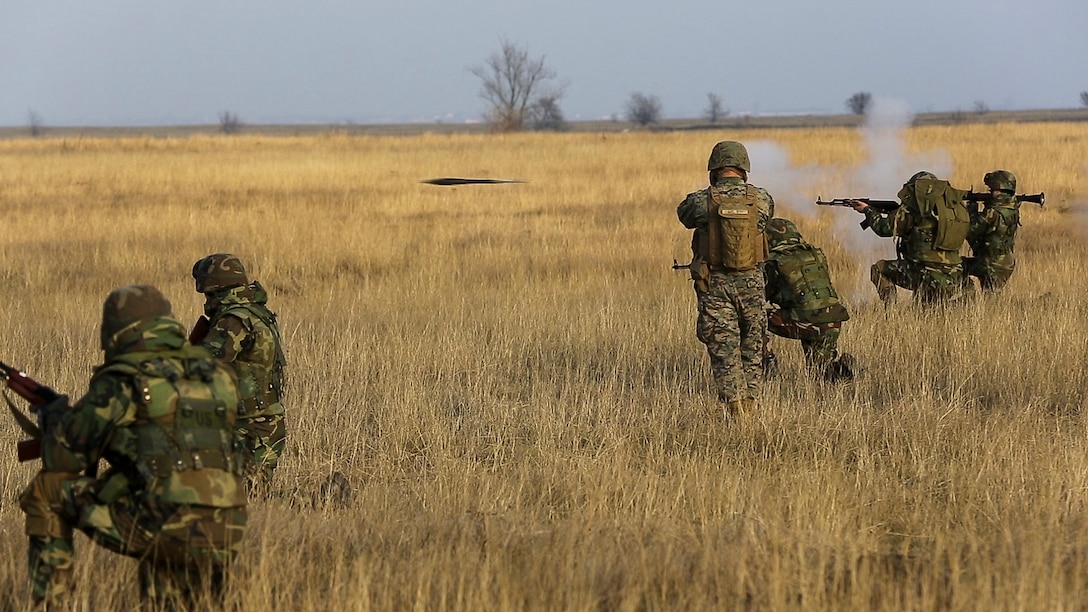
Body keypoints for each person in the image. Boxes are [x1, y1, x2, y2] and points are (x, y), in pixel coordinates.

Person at [18, 285, 247, 607]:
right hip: (229, 526)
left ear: (117, 331)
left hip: (163, 525)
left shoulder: (125, 379)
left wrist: (55, 418)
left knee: (47, 490)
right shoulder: (217, 376)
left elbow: (61, 459)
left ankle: (51, 603)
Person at [677, 140, 774, 416]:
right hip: (752, 283)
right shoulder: (762, 199)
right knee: (752, 345)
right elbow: (765, 223)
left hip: (715, 284)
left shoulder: (700, 200)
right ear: (744, 169)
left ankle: (736, 412)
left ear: (714, 169)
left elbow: (684, 216)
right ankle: (751, 405)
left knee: (724, 347)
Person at [192, 253, 287, 490]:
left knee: (247, 497)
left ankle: (324, 499)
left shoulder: (233, 319)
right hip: (258, 421)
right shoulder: (255, 312)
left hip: (252, 426)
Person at [849, 171, 971, 305]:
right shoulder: (954, 209)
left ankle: (891, 310)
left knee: (879, 268)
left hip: (924, 273)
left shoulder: (913, 208)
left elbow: (883, 229)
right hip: (954, 273)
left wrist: (868, 211)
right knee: (927, 309)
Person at [762, 217, 855, 382]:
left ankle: (767, 364)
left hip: (806, 321)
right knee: (820, 372)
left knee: (752, 317)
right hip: (832, 320)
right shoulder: (815, 254)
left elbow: (759, 297)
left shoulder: (774, 261)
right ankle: (841, 369)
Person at [963, 170, 1020, 292]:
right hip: (1005, 262)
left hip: (990, 264)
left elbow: (971, 230)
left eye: (992, 190)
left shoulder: (992, 212)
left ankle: (968, 297)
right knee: (992, 301)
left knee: (956, 268)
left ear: (999, 190)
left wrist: (972, 210)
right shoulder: (1012, 207)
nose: (990, 193)